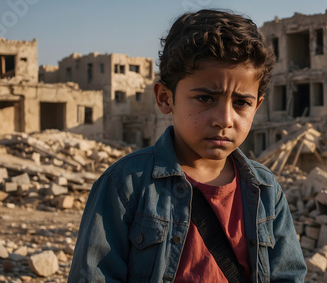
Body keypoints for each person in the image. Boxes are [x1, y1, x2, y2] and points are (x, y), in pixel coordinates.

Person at [68, 9, 306, 282]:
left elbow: (288, 275)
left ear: (257, 106)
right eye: (205, 98)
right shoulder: (125, 185)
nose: (224, 120)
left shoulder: (266, 192)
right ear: (165, 98)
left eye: (241, 102)